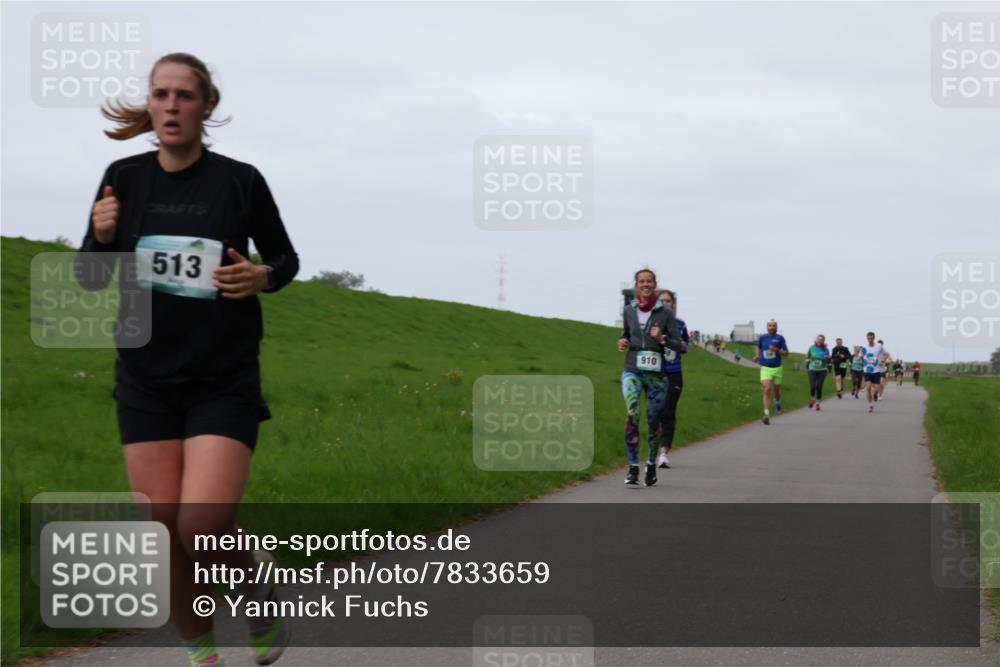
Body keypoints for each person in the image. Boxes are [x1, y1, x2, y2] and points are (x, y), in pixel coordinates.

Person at [78, 53, 298, 667]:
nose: (171, 106)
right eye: (161, 95)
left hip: (221, 378)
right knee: (163, 534)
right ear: (149, 105)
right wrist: (98, 236)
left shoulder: (239, 180)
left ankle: (256, 589)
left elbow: (284, 260)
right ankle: (203, 653)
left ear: (207, 106)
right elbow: (90, 278)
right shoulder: (122, 175)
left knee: (200, 525)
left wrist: (262, 276)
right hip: (145, 379)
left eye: (184, 95)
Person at [617, 269, 681, 487]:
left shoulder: (666, 313)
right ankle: (633, 466)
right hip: (632, 369)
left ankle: (651, 463)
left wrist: (662, 338)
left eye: (649, 281)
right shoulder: (628, 310)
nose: (645, 284)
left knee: (653, 420)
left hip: (656, 375)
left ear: (655, 284)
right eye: (641, 281)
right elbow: (625, 334)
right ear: (637, 285)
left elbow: (678, 344)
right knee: (632, 413)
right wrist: (622, 342)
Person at [655, 290, 689, 469]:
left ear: (673, 304)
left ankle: (663, 452)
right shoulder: (652, 322)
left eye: (668, 301)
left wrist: (682, 346)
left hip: (674, 372)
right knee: (655, 413)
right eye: (661, 301)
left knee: (668, 412)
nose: (665, 303)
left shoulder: (680, 324)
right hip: (655, 373)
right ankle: (654, 447)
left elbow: (686, 345)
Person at [752, 320, 789, 424]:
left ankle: (777, 402)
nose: (772, 327)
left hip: (777, 368)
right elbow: (758, 347)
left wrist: (776, 350)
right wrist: (757, 356)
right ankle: (766, 414)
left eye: (774, 326)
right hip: (765, 368)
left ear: (776, 327)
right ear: (767, 327)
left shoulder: (780, 338)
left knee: (777, 391)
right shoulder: (763, 338)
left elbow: (786, 354)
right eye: (770, 326)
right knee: (767, 388)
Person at [860, 332, 891, 413]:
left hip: (876, 370)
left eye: (871, 338)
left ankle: (876, 394)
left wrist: (883, 360)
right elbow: (860, 356)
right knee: (868, 388)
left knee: (877, 388)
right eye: (868, 338)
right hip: (867, 370)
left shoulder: (879, 346)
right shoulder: (864, 347)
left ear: (874, 338)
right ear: (867, 338)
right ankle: (870, 405)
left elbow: (887, 354)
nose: (870, 340)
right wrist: (864, 362)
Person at [806, 334, 831, 410]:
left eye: (821, 339)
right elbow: (807, 356)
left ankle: (817, 403)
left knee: (819, 387)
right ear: (816, 340)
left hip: (822, 370)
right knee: (813, 386)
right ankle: (812, 398)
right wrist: (807, 357)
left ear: (823, 341)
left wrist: (828, 358)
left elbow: (828, 359)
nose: (819, 341)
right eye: (818, 339)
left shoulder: (826, 350)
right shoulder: (811, 348)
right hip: (812, 369)